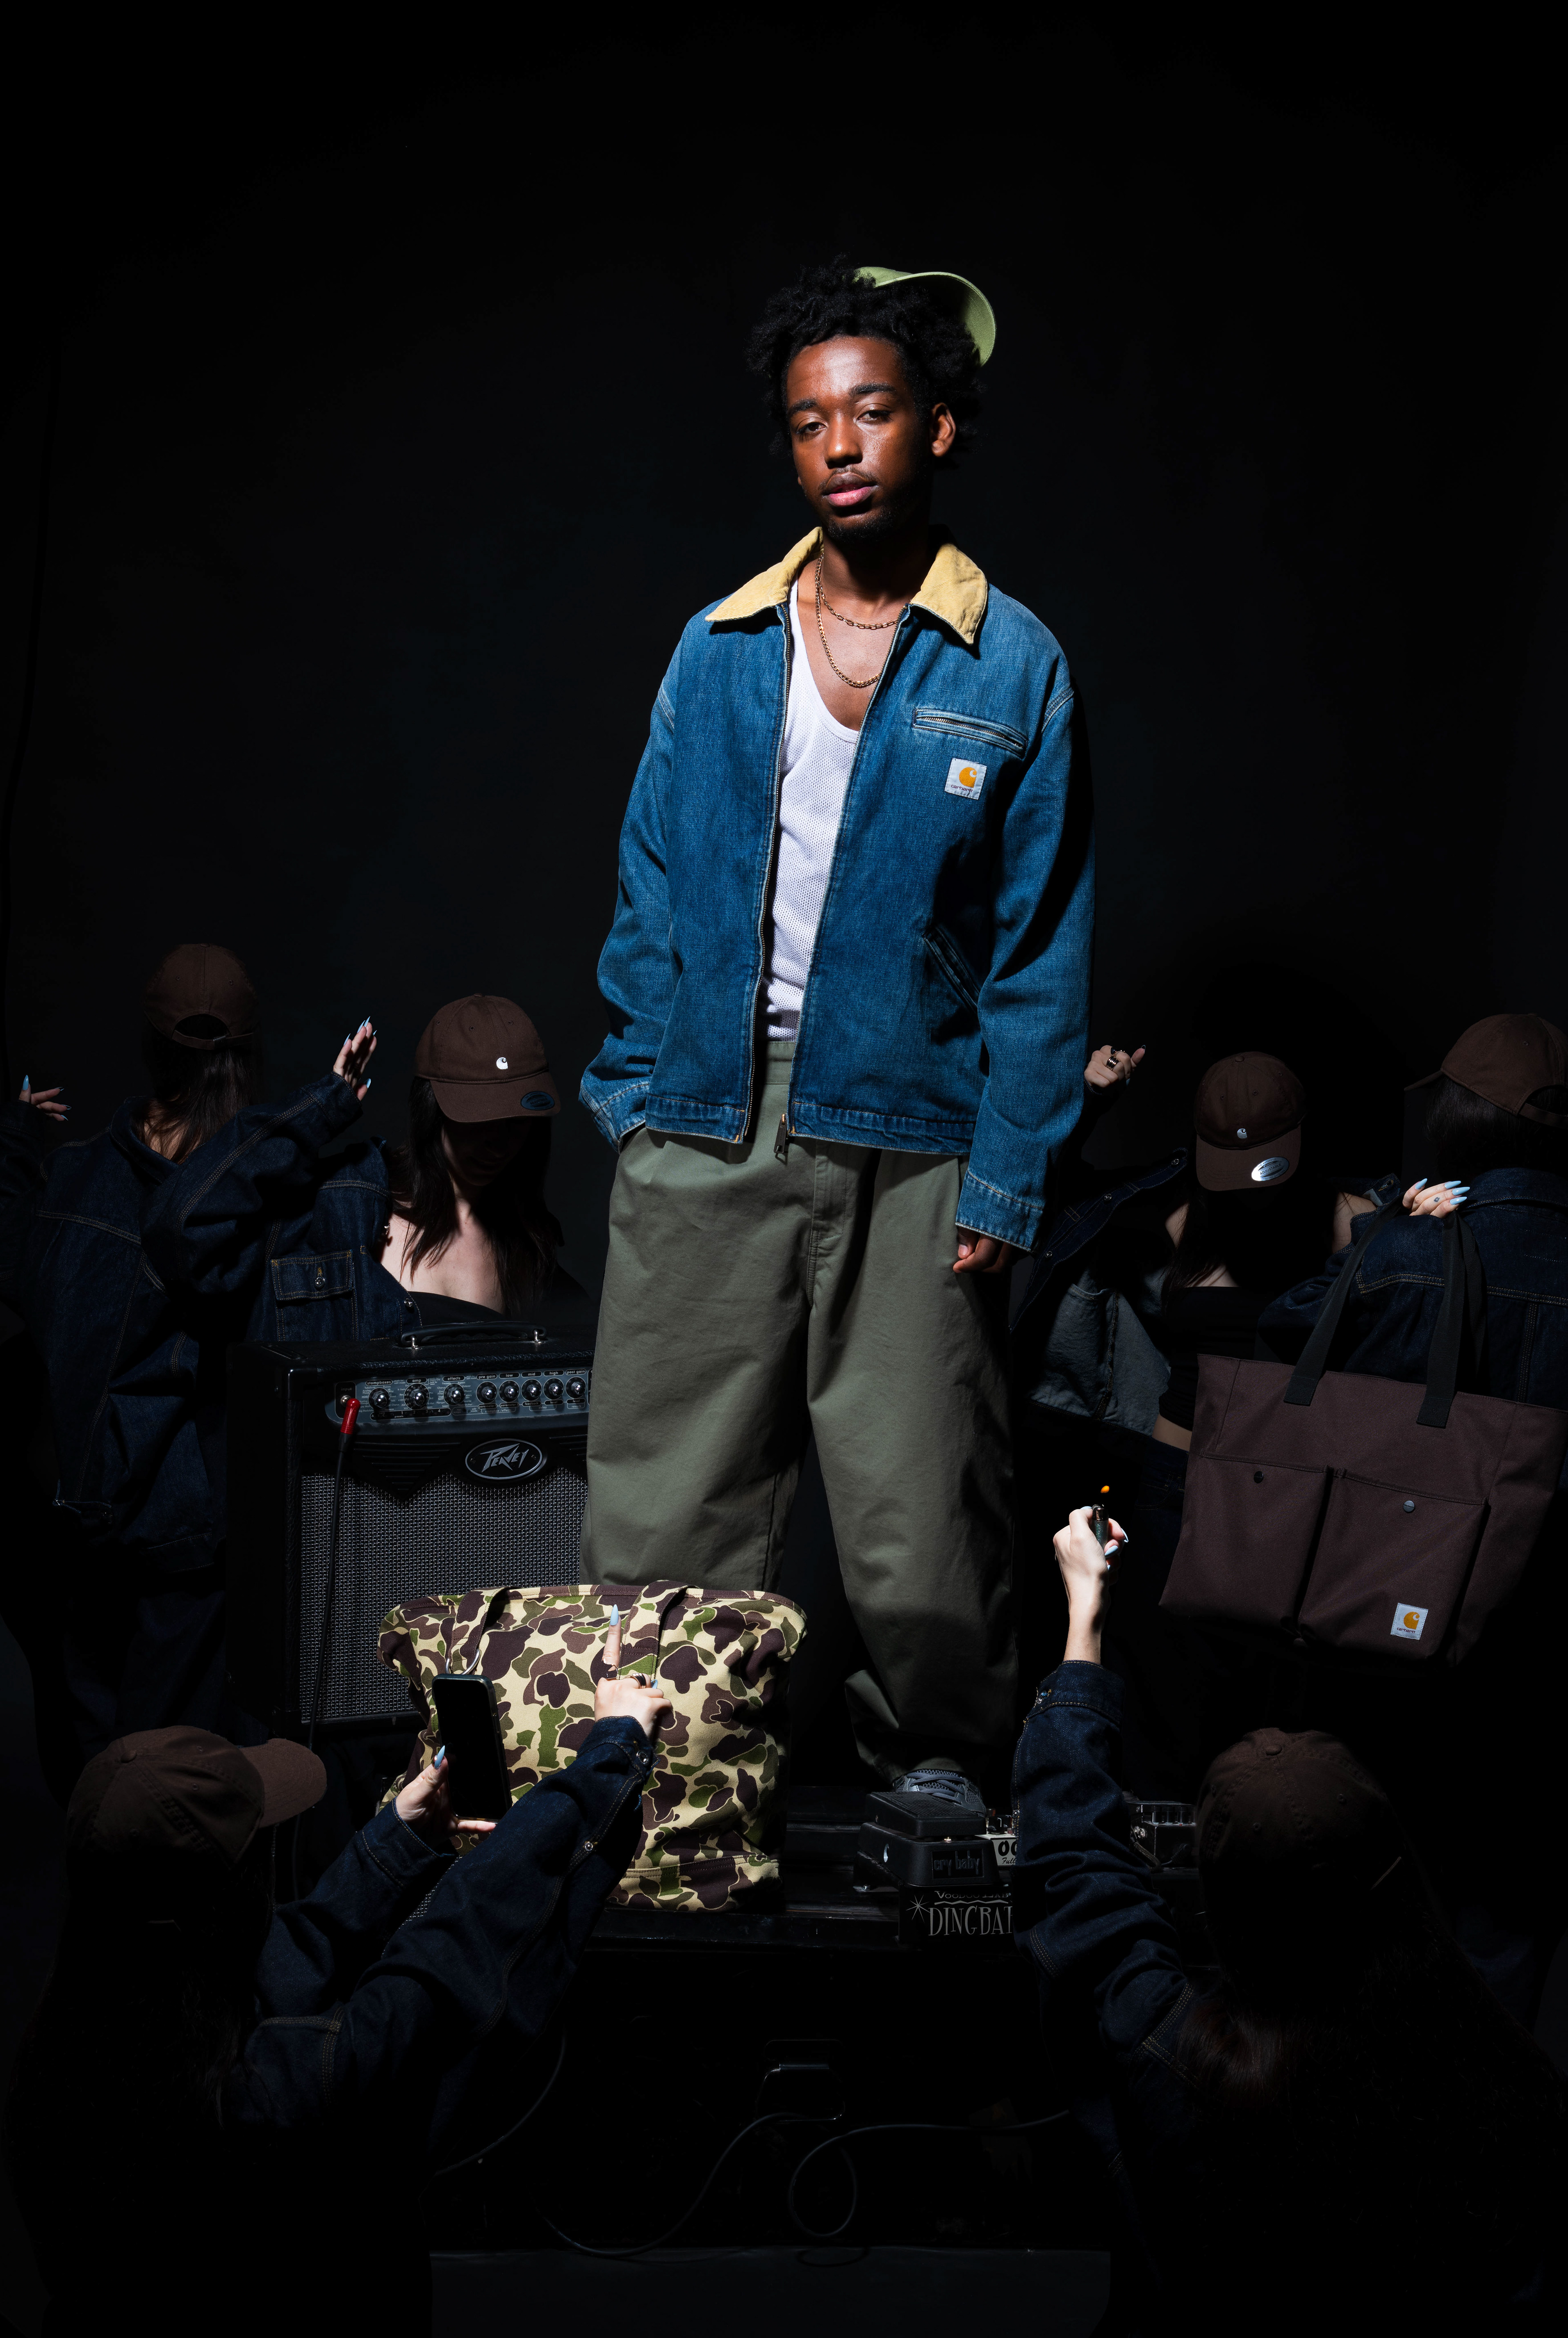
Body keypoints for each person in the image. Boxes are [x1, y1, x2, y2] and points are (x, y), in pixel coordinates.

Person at [577, 260, 1094, 1803]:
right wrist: (637, 1095)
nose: (840, 445)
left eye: (870, 411)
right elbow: (648, 884)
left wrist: (1006, 1174)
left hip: (917, 1134)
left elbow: (1040, 946)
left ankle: (934, 1769)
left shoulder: (1015, 662)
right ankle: (662, 1785)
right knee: (666, 1500)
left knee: (919, 1502)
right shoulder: (719, 645)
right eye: (809, 422)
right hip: (708, 1117)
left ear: (939, 425)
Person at [4, 1629, 666, 2337]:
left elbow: (287, 1953)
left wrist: (398, 1838)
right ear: (227, 1900)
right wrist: (612, 1747)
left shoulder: (69, 2045)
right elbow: (451, 1948)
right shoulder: (281, 2093)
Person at [1012, 1504, 1565, 2335]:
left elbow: (1074, 1864)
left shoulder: (1181, 2068)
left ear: (1223, 1909)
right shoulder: (1507, 2093)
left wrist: (1084, 1617)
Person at [1257, 1012, 1568, 2022]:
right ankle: (1487, 2101)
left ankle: (1362, 2091)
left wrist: (1384, 1225)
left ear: (1460, 1120)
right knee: (1510, 1904)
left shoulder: (1412, 1246)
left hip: (1398, 1618)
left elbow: (1285, 1330)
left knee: (1367, 1877)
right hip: (1542, 1643)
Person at [0, 943, 371, 1776]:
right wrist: (322, 1108)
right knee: (177, 1780)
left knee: (100, 1777)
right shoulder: (255, 1207)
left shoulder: (73, 1179)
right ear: (248, 1056)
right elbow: (193, 1219)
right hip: (185, 1551)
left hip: (78, 1526)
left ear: (149, 1048)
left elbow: (13, 1258)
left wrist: (17, 1143)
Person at [1016, 1045, 1399, 1796]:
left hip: (1298, 1495)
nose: (1251, 1196)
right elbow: (1045, 1202)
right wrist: (1091, 1106)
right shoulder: (1181, 1215)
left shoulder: (1360, 1223)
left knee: (1288, 1703)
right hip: (1178, 1489)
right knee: (1166, 1701)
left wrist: (1432, 1217)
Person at [145, 992, 592, 1345]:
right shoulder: (345, 1204)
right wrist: (318, 1111)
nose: (498, 1142)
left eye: (515, 1122)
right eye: (477, 1120)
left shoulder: (529, 1244)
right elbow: (181, 1227)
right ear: (432, 1112)